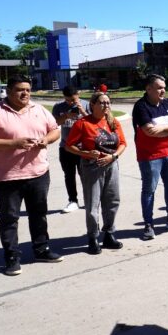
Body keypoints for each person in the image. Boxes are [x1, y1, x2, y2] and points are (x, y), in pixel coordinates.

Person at [0, 75, 63, 276]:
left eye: (28, 90)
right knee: (9, 218)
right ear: (9, 91)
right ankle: (12, 257)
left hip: (38, 172)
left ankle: (41, 249)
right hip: (6, 176)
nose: (25, 94)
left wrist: (46, 140)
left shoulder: (38, 109)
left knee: (39, 214)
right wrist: (14, 143)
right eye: (20, 90)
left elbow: (55, 130)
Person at [65, 92, 126, 254]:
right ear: (92, 105)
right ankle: (93, 237)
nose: (106, 106)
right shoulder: (83, 123)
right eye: (102, 103)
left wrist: (113, 156)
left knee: (113, 201)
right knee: (93, 204)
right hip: (92, 167)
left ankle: (109, 234)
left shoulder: (113, 122)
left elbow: (123, 144)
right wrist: (86, 153)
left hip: (111, 165)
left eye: (108, 103)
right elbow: (69, 145)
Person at [132, 74, 168, 240]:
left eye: (164, 87)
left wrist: (163, 127)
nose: (163, 90)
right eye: (159, 87)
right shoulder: (141, 106)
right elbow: (150, 132)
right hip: (150, 156)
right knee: (149, 190)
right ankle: (148, 224)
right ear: (148, 89)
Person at [52, 85, 90, 213]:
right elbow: (54, 123)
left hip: (83, 148)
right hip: (66, 147)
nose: (71, 103)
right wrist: (67, 115)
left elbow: (94, 123)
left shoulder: (86, 105)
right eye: (68, 100)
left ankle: (89, 200)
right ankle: (73, 201)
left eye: (73, 100)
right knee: (69, 175)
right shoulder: (58, 107)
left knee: (85, 175)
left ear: (78, 95)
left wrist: (83, 112)